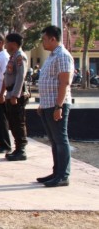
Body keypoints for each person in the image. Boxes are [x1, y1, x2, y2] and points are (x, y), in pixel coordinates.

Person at [36, 25, 74, 187]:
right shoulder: (52, 56)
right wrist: (42, 104)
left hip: (57, 105)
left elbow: (64, 83)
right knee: (54, 140)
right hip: (47, 104)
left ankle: (63, 175)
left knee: (60, 140)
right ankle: (56, 171)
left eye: (44, 39)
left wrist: (59, 106)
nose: (42, 42)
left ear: (53, 39)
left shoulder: (63, 56)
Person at [1, 33, 29, 161]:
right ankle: (17, 148)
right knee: (13, 122)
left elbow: (20, 77)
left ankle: (21, 150)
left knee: (18, 122)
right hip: (10, 93)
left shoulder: (19, 57)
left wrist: (15, 95)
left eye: (7, 42)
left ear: (13, 43)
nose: (5, 45)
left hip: (16, 94)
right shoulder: (13, 57)